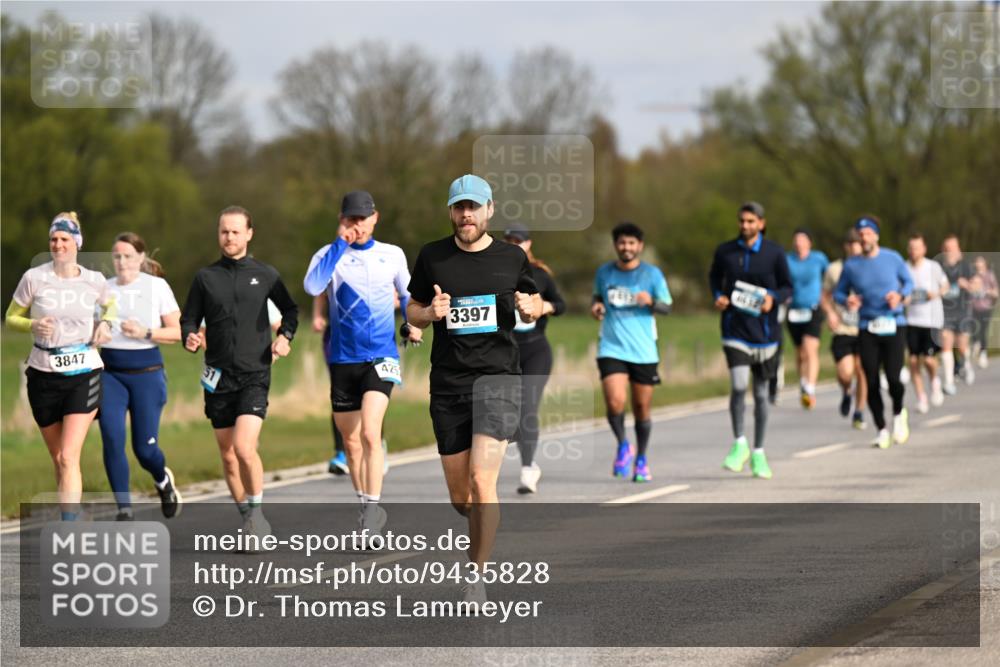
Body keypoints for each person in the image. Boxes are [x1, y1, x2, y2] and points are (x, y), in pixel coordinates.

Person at [406, 174, 539, 603]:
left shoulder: (512, 257)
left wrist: (528, 306)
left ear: (489, 210)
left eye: (474, 207)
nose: (466, 214)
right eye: (459, 207)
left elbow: (534, 303)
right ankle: (481, 523)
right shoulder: (432, 257)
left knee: (484, 481)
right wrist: (429, 311)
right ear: (450, 211)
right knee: (461, 498)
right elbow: (412, 310)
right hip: (448, 382)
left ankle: (475, 576)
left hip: (499, 378)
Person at [303, 191, 421, 538]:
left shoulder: (392, 254)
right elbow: (313, 286)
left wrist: (414, 323)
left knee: (370, 433)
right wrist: (339, 246)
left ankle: (371, 514)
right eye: (351, 218)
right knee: (351, 443)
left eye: (363, 218)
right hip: (343, 359)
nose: (358, 225)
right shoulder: (328, 255)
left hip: (382, 356)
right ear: (342, 220)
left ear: (375, 218)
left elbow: (411, 295)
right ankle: (365, 503)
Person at [180, 206, 298, 543]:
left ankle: (258, 515)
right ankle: (248, 519)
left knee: (244, 447)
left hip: (255, 373)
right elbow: (189, 318)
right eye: (223, 231)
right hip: (217, 376)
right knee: (229, 457)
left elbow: (290, 310)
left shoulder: (265, 274)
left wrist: (284, 337)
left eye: (235, 231)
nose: (228, 237)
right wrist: (190, 335)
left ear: (249, 233)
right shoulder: (205, 278)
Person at [5, 212, 115, 520]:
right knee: (59, 459)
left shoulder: (94, 280)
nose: (58, 244)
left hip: (85, 372)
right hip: (43, 373)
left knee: (68, 456)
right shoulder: (34, 278)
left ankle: (69, 532)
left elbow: (113, 307)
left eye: (64, 239)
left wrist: (106, 324)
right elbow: (11, 317)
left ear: (77, 242)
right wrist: (32, 324)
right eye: (53, 239)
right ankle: (74, 515)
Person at [98, 232, 183, 520]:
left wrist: (146, 332)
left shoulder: (156, 287)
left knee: (145, 450)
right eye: (117, 256)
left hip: (147, 375)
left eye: (128, 256)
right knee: (111, 436)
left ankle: (162, 480)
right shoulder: (103, 289)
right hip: (111, 375)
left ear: (141, 258)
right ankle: (124, 509)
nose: (122, 262)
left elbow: (178, 331)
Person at [709, 201, 792, 479]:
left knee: (759, 395)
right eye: (742, 221)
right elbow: (713, 278)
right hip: (735, 331)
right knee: (738, 385)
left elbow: (787, 286)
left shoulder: (774, 253)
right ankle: (739, 443)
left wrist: (772, 298)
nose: (745, 226)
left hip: (766, 335)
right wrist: (717, 297)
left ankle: (758, 452)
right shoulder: (726, 252)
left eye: (750, 222)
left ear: (761, 223)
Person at [591, 222, 672, 482]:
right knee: (615, 401)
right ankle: (623, 444)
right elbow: (597, 298)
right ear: (616, 245)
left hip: (644, 350)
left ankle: (642, 458)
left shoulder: (652, 274)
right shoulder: (604, 273)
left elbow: (668, 307)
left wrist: (653, 302)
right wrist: (596, 307)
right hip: (612, 346)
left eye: (631, 243)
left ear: (640, 246)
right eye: (622, 243)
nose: (626, 247)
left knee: (641, 407)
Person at [834, 216, 913, 449]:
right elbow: (839, 293)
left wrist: (899, 296)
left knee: (893, 377)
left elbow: (908, 283)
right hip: (867, 326)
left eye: (868, 233)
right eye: (861, 234)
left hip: (894, 323)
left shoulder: (893, 258)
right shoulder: (851, 265)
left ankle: (899, 413)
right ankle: (881, 429)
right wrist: (847, 300)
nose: (864, 237)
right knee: (869, 379)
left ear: (876, 235)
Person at [503, 223, 566, 494]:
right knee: (510, 413)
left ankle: (528, 469)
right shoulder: (495, 272)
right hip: (506, 351)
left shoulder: (540, 274)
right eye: (509, 240)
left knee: (527, 408)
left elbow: (561, 305)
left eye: (519, 241)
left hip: (536, 350)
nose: (514, 244)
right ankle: (523, 451)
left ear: (528, 244)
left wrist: (545, 307)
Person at [820, 229, 868, 429]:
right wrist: (830, 313)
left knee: (862, 371)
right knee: (845, 373)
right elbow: (824, 296)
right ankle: (847, 391)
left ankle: (859, 412)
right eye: (851, 244)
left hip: (865, 327)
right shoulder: (834, 269)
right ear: (846, 246)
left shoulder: (870, 267)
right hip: (843, 328)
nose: (855, 248)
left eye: (858, 244)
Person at [785, 228, 829, 409]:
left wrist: (828, 299)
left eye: (802, 240)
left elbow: (830, 279)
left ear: (809, 243)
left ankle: (810, 388)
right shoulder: (787, 260)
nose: (799, 244)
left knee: (810, 348)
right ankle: (803, 381)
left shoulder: (819, 259)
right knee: (800, 352)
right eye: (796, 240)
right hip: (794, 310)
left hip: (813, 309)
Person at [904, 233, 948, 414]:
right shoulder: (904, 268)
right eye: (911, 248)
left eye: (917, 248)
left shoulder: (933, 266)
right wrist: (904, 299)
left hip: (932, 320)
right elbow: (901, 292)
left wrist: (934, 294)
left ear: (924, 249)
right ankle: (921, 398)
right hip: (912, 320)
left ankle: (935, 381)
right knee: (913, 361)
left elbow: (945, 286)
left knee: (929, 360)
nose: (913, 251)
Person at [311, 294, 349, 475]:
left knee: (370, 396)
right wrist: (318, 315)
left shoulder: (383, 263)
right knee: (339, 394)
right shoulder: (330, 264)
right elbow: (319, 290)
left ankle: (376, 444)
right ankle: (341, 453)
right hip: (335, 336)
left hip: (371, 337)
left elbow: (401, 292)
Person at [938, 235, 976, 392]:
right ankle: (948, 381)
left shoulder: (966, 267)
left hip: (962, 311)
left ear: (958, 249)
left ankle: (966, 364)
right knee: (946, 345)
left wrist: (966, 284)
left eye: (952, 248)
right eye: (947, 248)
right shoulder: (938, 267)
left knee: (961, 347)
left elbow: (976, 286)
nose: (949, 251)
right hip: (945, 312)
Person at [970, 256, 998, 370]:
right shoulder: (972, 275)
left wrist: (987, 291)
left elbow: (996, 292)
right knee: (973, 328)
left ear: (985, 263)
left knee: (983, 330)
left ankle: (983, 354)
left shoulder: (989, 275)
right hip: (973, 307)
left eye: (980, 262)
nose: (978, 264)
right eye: (976, 262)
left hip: (986, 307)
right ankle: (975, 343)